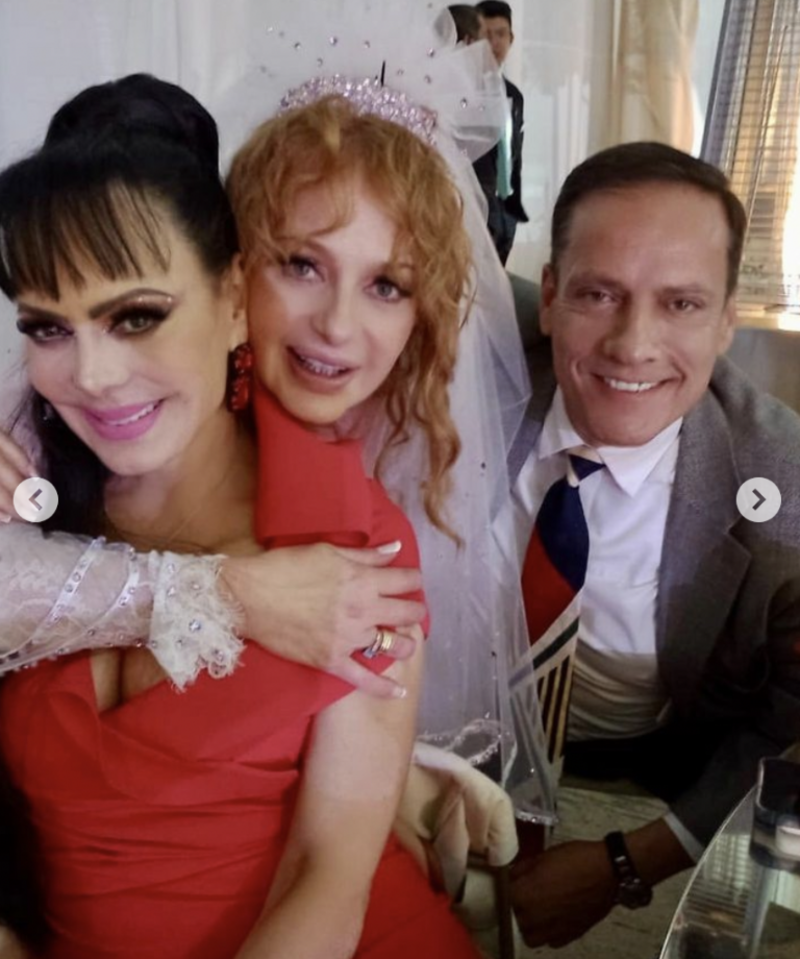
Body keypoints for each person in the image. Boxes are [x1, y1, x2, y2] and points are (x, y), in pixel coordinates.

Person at [0, 73, 485, 958]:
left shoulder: (359, 543)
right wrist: (227, 594)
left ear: (229, 300)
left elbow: (325, 875)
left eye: (138, 317)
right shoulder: (28, 481)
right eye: (47, 328)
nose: (95, 375)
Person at [505, 141, 800, 947]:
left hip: (655, 768)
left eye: (681, 304)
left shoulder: (786, 502)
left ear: (727, 320)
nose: (632, 344)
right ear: (550, 296)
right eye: (599, 293)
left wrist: (628, 862)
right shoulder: (463, 363)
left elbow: (789, 731)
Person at [473, 1, 528, 265]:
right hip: (475, 210)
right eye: (487, 35)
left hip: (505, 210)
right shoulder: (463, 91)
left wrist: (513, 208)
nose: (494, 43)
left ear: (511, 38)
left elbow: (514, 155)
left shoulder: (514, 95)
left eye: (501, 34)